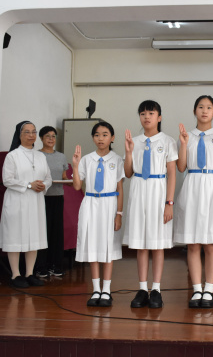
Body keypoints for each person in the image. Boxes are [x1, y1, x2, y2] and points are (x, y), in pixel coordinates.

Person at [174, 95, 213, 309]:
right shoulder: (187, 136)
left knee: (211, 243)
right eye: (200, 107)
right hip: (192, 186)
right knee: (193, 243)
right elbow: (181, 167)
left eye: (209, 107)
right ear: (194, 110)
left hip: (212, 187)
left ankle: (209, 289)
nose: (204, 111)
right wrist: (183, 144)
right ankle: (197, 288)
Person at [124, 100, 177, 309]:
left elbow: (172, 174)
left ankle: (156, 289)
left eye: (151, 113)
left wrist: (169, 203)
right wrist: (129, 152)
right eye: (143, 113)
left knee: (157, 243)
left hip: (158, 190)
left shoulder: (168, 141)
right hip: (138, 190)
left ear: (159, 117)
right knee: (141, 243)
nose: (146, 117)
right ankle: (141, 288)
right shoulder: (134, 141)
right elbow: (128, 173)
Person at [72, 122, 124, 307]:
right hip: (91, 203)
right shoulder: (87, 159)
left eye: (105, 134)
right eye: (97, 135)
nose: (100, 138)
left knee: (107, 247)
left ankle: (106, 290)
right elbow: (77, 186)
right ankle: (96, 289)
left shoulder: (117, 160)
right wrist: (75, 166)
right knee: (92, 246)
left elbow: (120, 188)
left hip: (109, 204)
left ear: (112, 137)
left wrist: (119, 214)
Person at [0, 121, 52, 288]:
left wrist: (44, 185)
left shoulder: (41, 156)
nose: (31, 135)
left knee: (33, 236)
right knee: (15, 236)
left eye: (33, 132)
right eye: (27, 132)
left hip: (35, 201)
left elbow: (48, 177)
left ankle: (30, 273)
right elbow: (7, 180)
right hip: (17, 200)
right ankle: (16, 274)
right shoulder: (12, 156)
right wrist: (29, 185)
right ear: (19, 135)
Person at [35, 126, 68, 278]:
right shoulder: (37, 155)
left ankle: (56, 265)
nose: (51, 139)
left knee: (56, 232)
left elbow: (64, 176)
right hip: (41, 197)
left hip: (57, 196)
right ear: (41, 138)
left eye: (53, 136)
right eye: (47, 136)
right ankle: (41, 266)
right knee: (43, 231)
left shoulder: (61, 156)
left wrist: (72, 180)